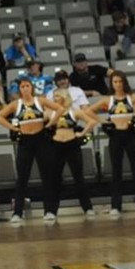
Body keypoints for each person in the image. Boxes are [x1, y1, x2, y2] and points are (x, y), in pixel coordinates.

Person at [0, 76, 56, 224]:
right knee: (22, 178)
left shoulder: (40, 101)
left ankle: (49, 210)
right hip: (25, 142)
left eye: (27, 86)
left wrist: (50, 124)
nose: (25, 89)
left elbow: (60, 109)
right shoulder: (16, 104)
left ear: (32, 87)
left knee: (46, 176)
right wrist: (13, 128)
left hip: (41, 140)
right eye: (22, 87)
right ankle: (17, 213)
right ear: (20, 89)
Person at [92, 70, 135, 217]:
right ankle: (116, 206)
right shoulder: (108, 100)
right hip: (115, 136)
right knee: (116, 171)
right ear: (111, 83)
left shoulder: (132, 98)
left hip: (131, 134)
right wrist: (103, 122)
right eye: (115, 82)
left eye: (120, 81)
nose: (118, 84)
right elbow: (88, 111)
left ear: (125, 82)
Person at [45, 81, 96, 215]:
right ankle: (51, 211)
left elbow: (92, 122)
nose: (54, 99)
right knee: (54, 179)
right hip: (55, 146)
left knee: (78, 177)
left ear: (63, 98)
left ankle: (88, 208)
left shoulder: (74, 112)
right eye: (53, 97)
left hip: (72, 145)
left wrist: (82, 133)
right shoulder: (50, 113)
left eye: (56, 97)